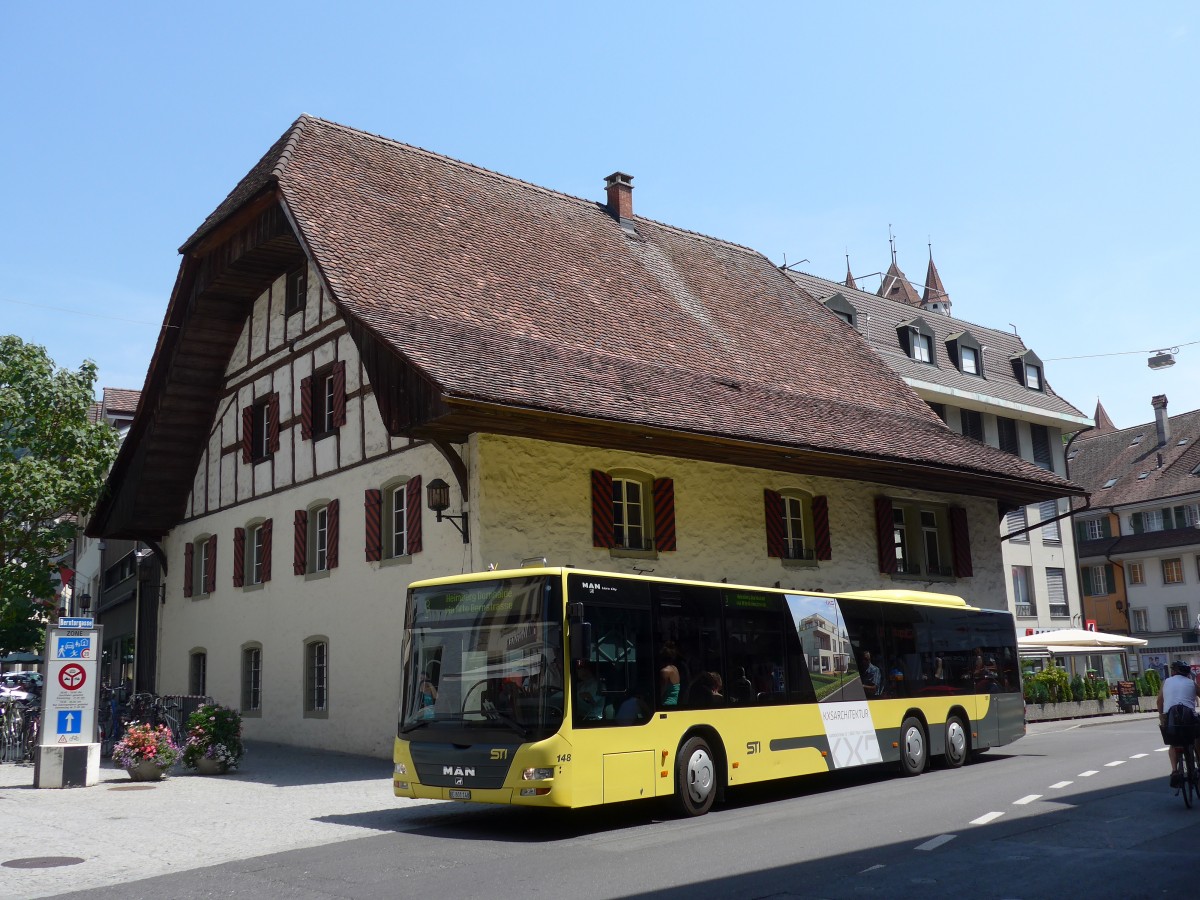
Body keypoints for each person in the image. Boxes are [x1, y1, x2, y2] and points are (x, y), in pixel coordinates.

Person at [1157, 659, 1200, 785]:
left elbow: (1159, 701)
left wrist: (1161, 715)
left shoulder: (1166, 682)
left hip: (1171, 718)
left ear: (1173, 672)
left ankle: (1175, 771)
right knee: (1197, 737)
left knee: (1172, 744)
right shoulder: (1191, 683)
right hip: (1189, 719)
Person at [659, 643, 681, 707]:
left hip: (666, 704)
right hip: (674, 704)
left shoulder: (665, 672)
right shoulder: (675, 669)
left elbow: (662, 692)